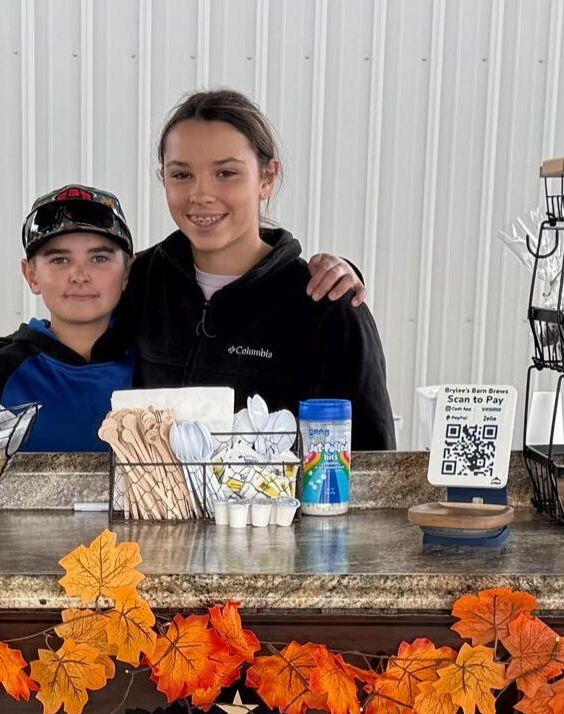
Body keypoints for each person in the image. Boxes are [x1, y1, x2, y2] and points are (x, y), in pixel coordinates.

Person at [118, 88, 395, 450]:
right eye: (182, 175)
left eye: (226, 173)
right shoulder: (137, 284)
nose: (201, 195)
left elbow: (371, 461)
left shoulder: (326, 305)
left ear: (267, 178)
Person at [0, 185, 136, 452]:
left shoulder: (155, 364)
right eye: (60, 260)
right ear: (31, 275)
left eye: (99, 258)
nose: (80, 275)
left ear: (127, 272)